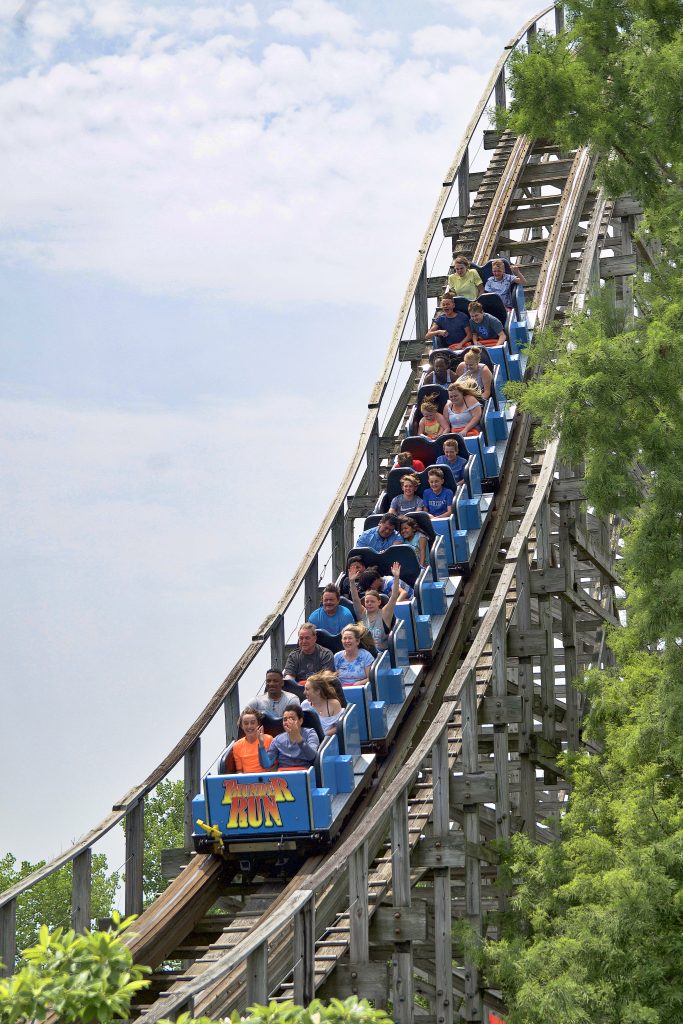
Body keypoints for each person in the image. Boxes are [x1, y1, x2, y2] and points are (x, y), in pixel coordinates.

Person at [349, 560, 402, 652]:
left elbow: (394, 597)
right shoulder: (362, 614)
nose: (369, 603)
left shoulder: (385, 614)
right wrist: (352, 582)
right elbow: (355, 599)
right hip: (367, 654)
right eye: (367, 602)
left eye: (372, 601)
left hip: (383, 654)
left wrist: (396, 577)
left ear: (379, 602)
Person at [258, 704, 319, 771]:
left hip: (304, 773)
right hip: (283, 774)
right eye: (285, 719)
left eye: (292, 719)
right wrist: (261, 745)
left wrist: (298, 737)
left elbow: (312, 756)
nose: (287, 722)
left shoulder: (310, 733)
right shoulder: (277, 740)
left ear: (300, 721)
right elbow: (266, 765)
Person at [232, 707, 273, 773]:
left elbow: (274, 766)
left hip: (266, 777)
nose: (249, 726)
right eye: (246, 723)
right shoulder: (237, 746)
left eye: (253, 723)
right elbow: (239, 771)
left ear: (258, 724)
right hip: (247, 779)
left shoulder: (269, 739)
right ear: (242, 726)